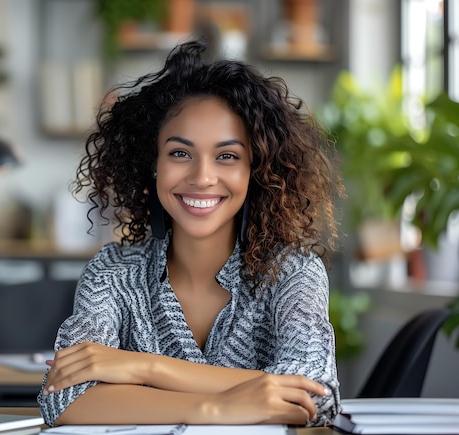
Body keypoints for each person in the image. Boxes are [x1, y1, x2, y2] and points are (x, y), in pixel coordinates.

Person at [38, 39, 343, 427]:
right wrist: (218, 408)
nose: (202, 177)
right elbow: (62, 399)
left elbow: (313, 396)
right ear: (153, 164)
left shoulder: (293, 273)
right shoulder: (114, 272)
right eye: (180, 153)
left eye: (227, 156)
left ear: (257, 170)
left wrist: (145, 368)